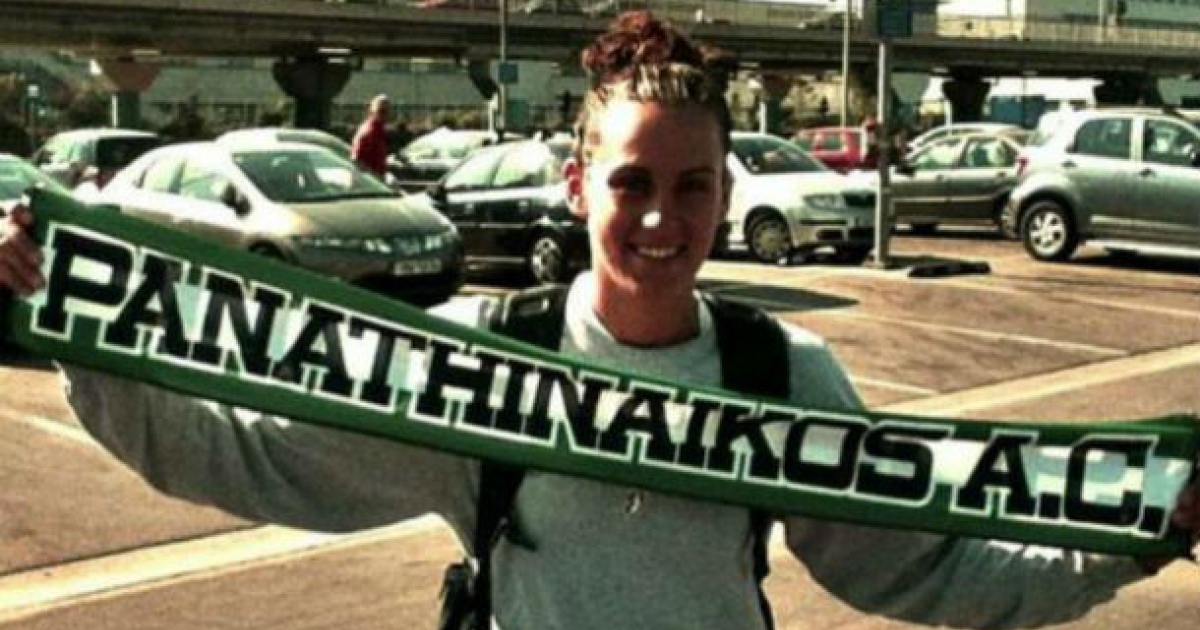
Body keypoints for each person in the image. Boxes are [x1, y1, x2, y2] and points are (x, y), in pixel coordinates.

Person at [1, 11, 1198, 630]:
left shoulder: (779, 372)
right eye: (632, 184)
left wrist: (1142, 530)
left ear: (725, 193)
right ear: (579, 187)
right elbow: (242, 459)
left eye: (693, 186)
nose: (663, 219)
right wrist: (72, 321)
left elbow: (929, 572)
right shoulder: (478, 361)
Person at [351, 93, 392, 178]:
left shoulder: (379, 130)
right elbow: (356, 160)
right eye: (381, 111)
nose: (385, 115)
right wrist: (371, 179)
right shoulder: (369, 131)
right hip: (369, 182)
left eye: (387, 111)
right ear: (372, 111)